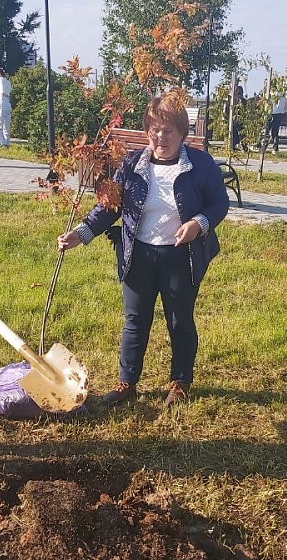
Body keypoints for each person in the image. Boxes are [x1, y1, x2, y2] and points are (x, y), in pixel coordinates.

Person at [57, 93, 230, 408]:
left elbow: (220, 203)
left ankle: (180, 382)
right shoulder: (132, 164)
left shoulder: (200, 165)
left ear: (182, 133)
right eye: (154, 129)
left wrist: (198, 224)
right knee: (135, 320)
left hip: (181, 257)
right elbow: (110, 208)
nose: (160, 137)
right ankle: (127, 382)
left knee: (179, 320)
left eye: (168, 131)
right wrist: (80, 234)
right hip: (139, 256)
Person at [0, 67, 12, 147]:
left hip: (1, 102)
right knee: (6, 126)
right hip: (8, 102)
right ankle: (7, 142)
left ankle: (3, 143)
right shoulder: (8, 82)